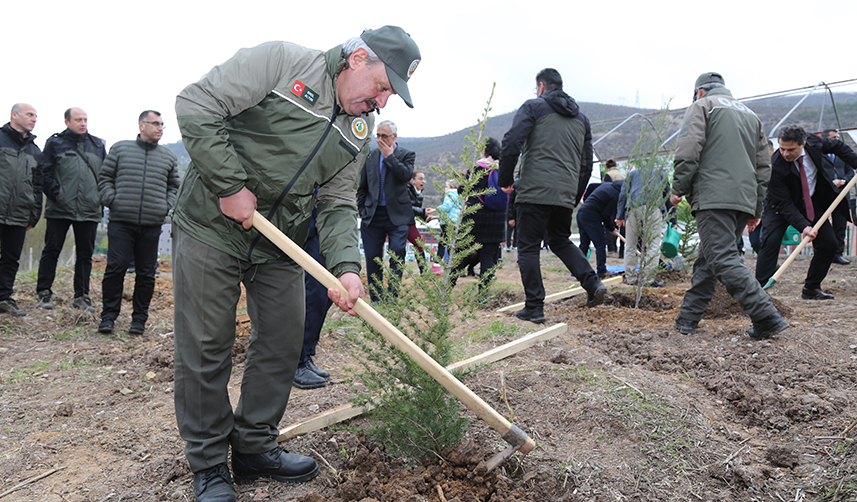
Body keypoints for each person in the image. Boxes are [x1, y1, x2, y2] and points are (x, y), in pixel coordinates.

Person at [171, 26, 420, 502]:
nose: (382, 102)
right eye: (383, 87)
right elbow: (196, 105)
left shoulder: (359, 128)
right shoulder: (281, 63)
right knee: (207, 345)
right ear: (358, 59)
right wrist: (229, 184)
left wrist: (348, 266)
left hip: (281, 241)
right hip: (211, 223)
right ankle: (208, 462)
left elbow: (340, 201)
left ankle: (253, 446)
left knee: (284, 341)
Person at [671, 72, 787, 340]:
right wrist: (756, 208)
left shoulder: (702, 107)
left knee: (722, 257)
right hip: (742, 198)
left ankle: (766, 315)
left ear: (699, 91)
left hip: (714, 195)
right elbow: (763, 167)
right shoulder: (750, 115)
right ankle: (687, 318)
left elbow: (688, 149)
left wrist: (678, 188)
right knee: (709, 258)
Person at [498, 68, 606, 324]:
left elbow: (512, 141)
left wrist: (505, 180)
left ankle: (534, 306)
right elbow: (586, 164)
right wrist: (574, 194)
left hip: (534, 191)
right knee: (559, 240)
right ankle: (592, 283)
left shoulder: (534, 107)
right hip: (564, 194)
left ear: (542, 87)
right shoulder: (582, 119)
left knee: (528, 246)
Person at [96, 110, 179, 335]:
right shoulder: (120, 148)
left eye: (162, 124)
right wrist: (112, 200)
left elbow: (174, 186)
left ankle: (139, 320)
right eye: (155, 123)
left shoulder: (168, 156)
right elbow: (104, 178)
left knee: (146, 273)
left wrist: (165, 206)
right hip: (121, 221)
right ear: (141, 125)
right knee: (116, 268)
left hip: (152, 224)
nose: (160, 128)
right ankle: (108, 317)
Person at [755, 125, 857, 301]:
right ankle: (759, 290)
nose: (785, 153)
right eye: (782, 148)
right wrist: (804, 226)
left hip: (811, 201)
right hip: (779, 207)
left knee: (829, 244)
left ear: (803, 143)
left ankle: (811, 287)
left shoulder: (815, 142)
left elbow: (838, 147)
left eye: (791, 149)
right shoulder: (776, 166)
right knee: (770, 241)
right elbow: (785, 204)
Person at [36, 108, 106, 313]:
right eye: (78, 120)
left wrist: (98, 198)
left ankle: (82, 296)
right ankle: (44, 293)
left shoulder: (98, 144)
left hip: (89, 208)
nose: (83, 123)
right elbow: (44, 172)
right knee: (51, 250)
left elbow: (104, 174)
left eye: (85, 119)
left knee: (85, 255)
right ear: (67, 121)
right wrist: (57, 195)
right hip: (60, 208)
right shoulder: (55, 143)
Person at [357, 120, 415, 302]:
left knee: (397, 253)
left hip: (398, 215)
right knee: (373, 257)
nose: (380, 139)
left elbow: (406, 175)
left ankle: (392, 295)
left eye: (384, 136)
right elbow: (362, 187)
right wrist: (363, 210)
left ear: (394, 137)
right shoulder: (370, 156)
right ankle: (376, 298)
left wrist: (390, 157)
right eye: (378, 135)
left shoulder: (406, 154)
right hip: (373, 215)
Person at [0, 104, 42, 317]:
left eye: (35, 116)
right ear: (14, 115)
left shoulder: (34, 150)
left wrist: (34, 215)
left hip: (19, 214)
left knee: (10, 258)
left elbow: (37, 186)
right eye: (29, 114)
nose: (34, 119)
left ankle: (4, 298)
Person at [458, 137, 506, 294]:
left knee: (461, 253)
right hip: (497, 218)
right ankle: (483, 294)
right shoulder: (503, 168)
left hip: (475, 215)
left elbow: (462, 190)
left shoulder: (478, 167)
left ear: (485, 151)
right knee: (488, 256)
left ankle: (446, 288)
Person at [615, 166, 668, 288]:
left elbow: (623, 194)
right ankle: (648, 280)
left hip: (634, 208)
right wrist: (671, 217)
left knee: (630, 245)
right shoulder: (661, 173)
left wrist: (620, 215)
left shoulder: (632, 174)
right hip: (654, 208)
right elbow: (667, 194)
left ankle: (631, 279)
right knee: (653, 245)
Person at [821, 128, 854, 265]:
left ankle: (838, 254)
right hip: (824, 193)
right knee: (821, 222)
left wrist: (844, 181)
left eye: (838, 137)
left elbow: (850, 171)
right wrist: (830, 182)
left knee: (840, 224)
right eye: (834, 137)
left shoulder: (842, 154)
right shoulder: (818, 154)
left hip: (841, 193)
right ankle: (822, 252)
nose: (837, 140)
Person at [577, 179, 622, 278]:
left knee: (584, 244)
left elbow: (592, 186)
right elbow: (606, 215)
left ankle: (578, 271)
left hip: (582, 212)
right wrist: (611, 228)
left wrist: (586, 201)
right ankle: (601, 270)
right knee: (601, 244)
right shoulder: (616, 194)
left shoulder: (607, 185)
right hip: (591, 216)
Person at [406, 171, 436, 273]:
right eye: (420, 178)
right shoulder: (405, 189)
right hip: (397, 222)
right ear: (412, 180)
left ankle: (423, 272)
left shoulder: (420, 192)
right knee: (398, 247)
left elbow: (415, 211)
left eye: (424, 179)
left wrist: (425, 217)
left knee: (419, 244)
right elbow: (407, 207)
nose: (423, 181)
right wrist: (423, 212)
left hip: (409, 222)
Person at [434, 179, 461, 262]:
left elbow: (447, 206)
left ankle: (437, 264)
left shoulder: (450, 193)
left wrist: (434, 210)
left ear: (451, 186)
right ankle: (455, 266)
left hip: (448, 222)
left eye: (446, 186)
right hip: (456, 222)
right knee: (452, 245)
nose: (445, 188)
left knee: (442, 243)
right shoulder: (460, 195)